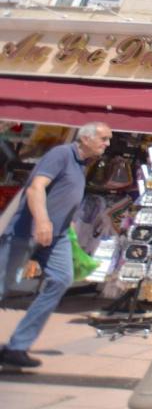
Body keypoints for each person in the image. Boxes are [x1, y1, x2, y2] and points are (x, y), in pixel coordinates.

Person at [0, 121, 111, 368]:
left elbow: (64, 197)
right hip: (26, 232)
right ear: (85, 138)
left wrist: (69, 227)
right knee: (1, 284)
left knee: (61, 280)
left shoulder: (81, 165)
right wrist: (41, 221)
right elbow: (36, 188)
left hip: (58, 237)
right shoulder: (61, 154)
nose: (107, 144)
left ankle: (17, 346)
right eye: (103, 138)